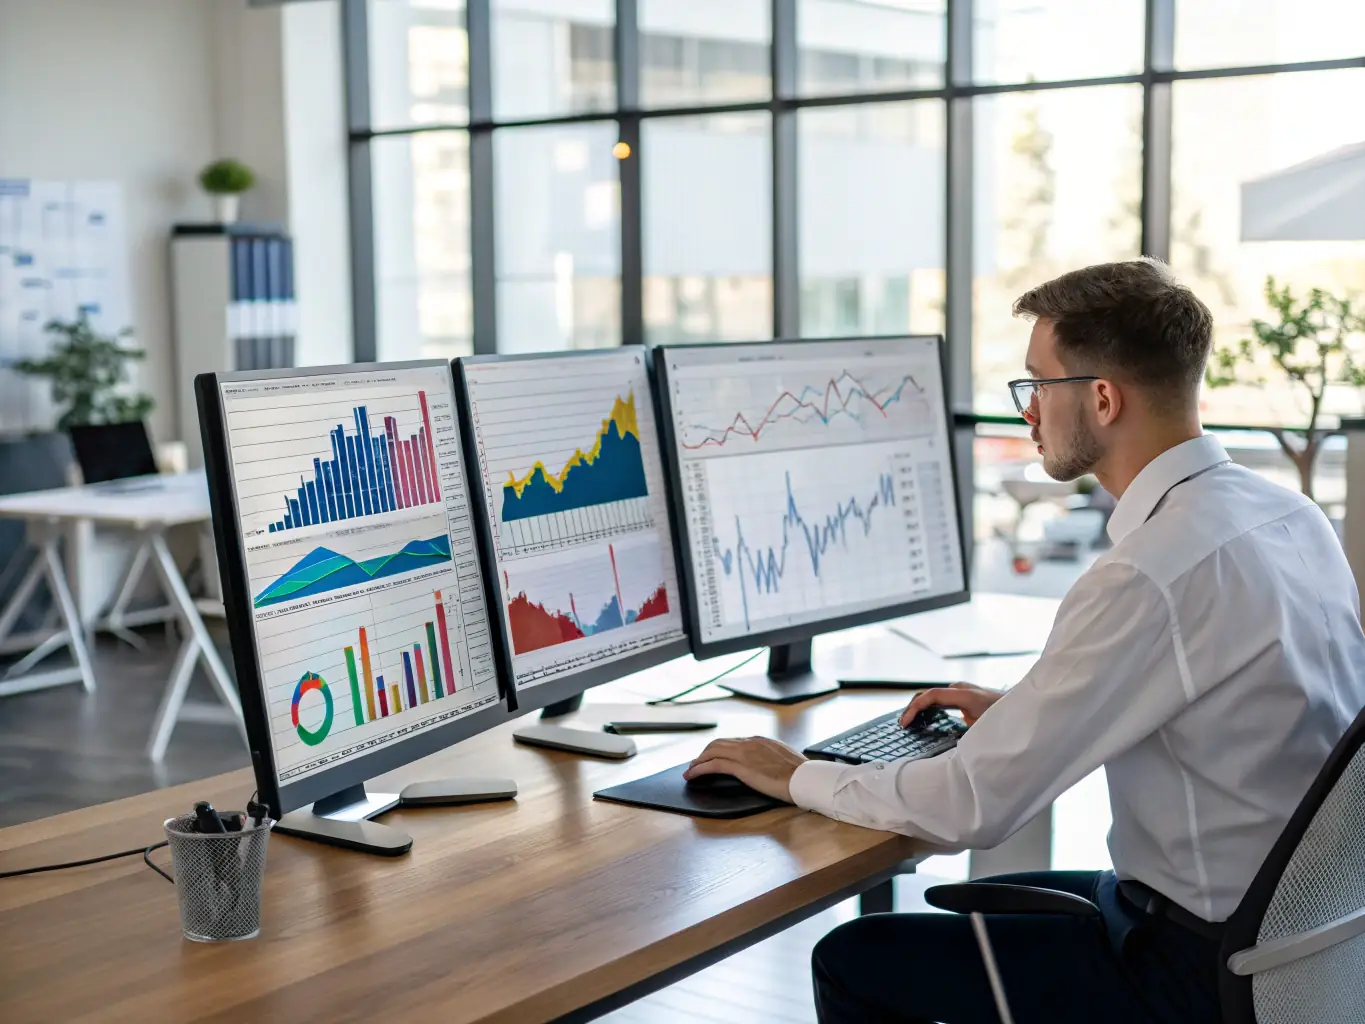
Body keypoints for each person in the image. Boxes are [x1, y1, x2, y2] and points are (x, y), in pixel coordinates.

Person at [684, 258, 1365, 1023]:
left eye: (1037, 384)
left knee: (855, 959)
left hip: (1195, 972)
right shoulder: (1288, 516)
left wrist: (793, 775)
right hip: (1304, 950)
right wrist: (1023, 712)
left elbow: (967, 808)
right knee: (978, 904)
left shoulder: (1147, 573)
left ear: (1101, 398)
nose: (1028, 411)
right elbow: (1227, 700)